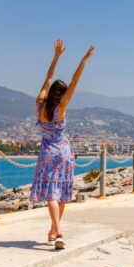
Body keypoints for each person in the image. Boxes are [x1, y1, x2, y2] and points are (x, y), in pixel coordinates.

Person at [30, 39, 94, 250]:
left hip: (47, 152)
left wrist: (56, 56)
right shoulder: (62, 107)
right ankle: (58, 232)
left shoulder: (40, 104)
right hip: (64, 152)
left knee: (51, 192)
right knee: (62, 191)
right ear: (62, 95)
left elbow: (48, 77)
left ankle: (53, 230)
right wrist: (84, 60)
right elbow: (76, 81)